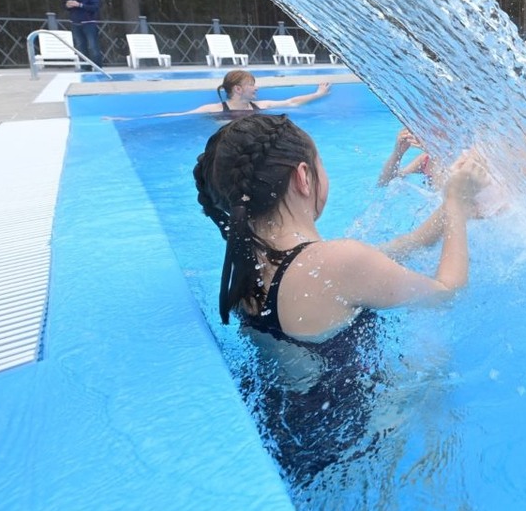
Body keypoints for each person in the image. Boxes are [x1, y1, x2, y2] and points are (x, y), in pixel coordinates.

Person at [193, 114, 486, 483]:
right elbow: (447, 293)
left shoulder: (248, 264)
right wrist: (457, 209)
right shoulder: (339, 262)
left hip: (293, 438)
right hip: (352, 449)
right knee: (437, 370)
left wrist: (452, 199)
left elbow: (405, 245)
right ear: (303, 176)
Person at [157, 70, 331, 117]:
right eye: (251, 85)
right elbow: (182, 115)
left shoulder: (260, 106)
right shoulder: (215, 109)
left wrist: (318, 94)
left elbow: (291, 102)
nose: (256, 88)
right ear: (238, 89)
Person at [64, 0, 103, 67]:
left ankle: (97, 67)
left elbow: (95, 7)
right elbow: (64, 5)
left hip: (89, 23)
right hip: (75, 23)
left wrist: (80, 5)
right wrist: (67, 6)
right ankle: (85, 67)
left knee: (93, 46)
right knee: (80, 46)